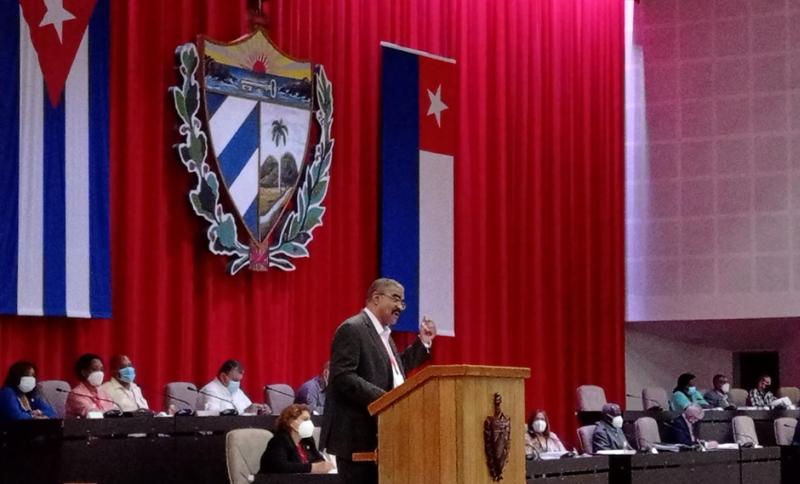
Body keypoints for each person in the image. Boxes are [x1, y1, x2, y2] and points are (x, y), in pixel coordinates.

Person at [320, 278, 437, 484]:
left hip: (382, 435)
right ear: (376, 298)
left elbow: (394, 370)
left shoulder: (383, 335)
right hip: (357, 439)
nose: (400, 307)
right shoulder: (353, 328)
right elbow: (343, 377)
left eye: (402, 302)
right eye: (395, 299)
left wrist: (423, 342)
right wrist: (386, 401)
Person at [259, 403, 335, 474]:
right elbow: (279, 466)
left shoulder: (307, 440)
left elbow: (318, 459)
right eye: (305, 419)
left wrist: (324, 466)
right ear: (291, 422)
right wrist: (311, 468)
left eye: (310, 419)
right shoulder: (279, 441)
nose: (310, 423)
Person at [197, 359, 269, 414]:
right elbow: (213, 418)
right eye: (235, 380)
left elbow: (249, 409)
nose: (238, 383)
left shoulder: (237, 391)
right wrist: (245, 413)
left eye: (239, 380)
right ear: (223, 376)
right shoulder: (210, 390)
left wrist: (259, 411)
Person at [65, 353, 117, 417]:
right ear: (84, 372)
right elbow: (92, 414)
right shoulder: (75, 394)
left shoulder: (102, 391)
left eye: (101, 369)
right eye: (94, 369)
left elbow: (115, 410)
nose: (100, 373)